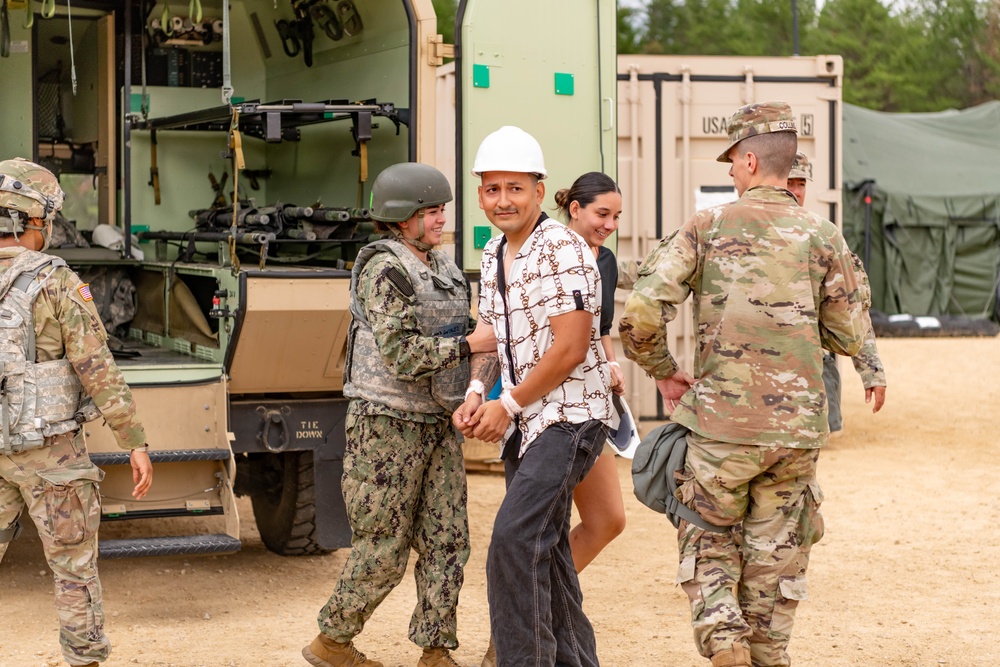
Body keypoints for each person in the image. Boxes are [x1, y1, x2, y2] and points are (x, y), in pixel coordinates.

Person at [619, 102, 869, 667]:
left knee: (707, 539)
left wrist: (665, 372)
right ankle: (768, 655)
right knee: (775, 555)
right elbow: (849, 332)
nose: (731, 171)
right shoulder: (824, 234)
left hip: (721, 428)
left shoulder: (707, 226)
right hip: (797, 434)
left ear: (750, 160)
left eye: (732, 162)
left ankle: (725, 643)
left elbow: (638, 317)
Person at [303, 162, 491, 667]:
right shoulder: (383, 269)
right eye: (430, 212)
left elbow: (474, 336)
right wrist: (470, 344)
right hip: (386, 426)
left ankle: (436, 651)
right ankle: (332, 641)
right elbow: (403, 356)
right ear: (400, 218)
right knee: (383, 545)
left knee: (448, 541)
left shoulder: (445, 268)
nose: (440, 220)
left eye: (442, 210)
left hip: (436, 424)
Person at [453, 126, 613, 667]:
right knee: (549, 556)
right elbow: (492, 331)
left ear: (540, 191)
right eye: (492, 189)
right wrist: (478, 391)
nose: (503, 200)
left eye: (515, 188)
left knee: (514, 542)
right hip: (528, 421)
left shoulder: (562, 249)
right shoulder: (494, 249)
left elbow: (570, 349)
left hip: (570, 420)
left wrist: (508, 404)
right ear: (480, 193)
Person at [0, 158, 153, 667]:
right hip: (52, 453)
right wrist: (134, 440)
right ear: (31, 222)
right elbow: (95, 366)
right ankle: (85, 658)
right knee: (73, 568)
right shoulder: (56, 281)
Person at [554, 172, 627, 572]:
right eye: (603, 214)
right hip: (548, 404)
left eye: (617, 217)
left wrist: (612, 365)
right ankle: (524, 620)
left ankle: (539, 605)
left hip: (592, 401)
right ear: (575, 208)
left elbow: (600, 330)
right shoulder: (547, 254)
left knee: (608, 519)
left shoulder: (606, 261)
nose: (610, 226)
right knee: (544, 525)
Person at [787, 152, 887, 427]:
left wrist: (872, 372)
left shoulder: (823, 239)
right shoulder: (743, 232)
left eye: (801, 184)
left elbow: (852, 309)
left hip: (809, 374)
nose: (795, 192)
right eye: (789, 183)